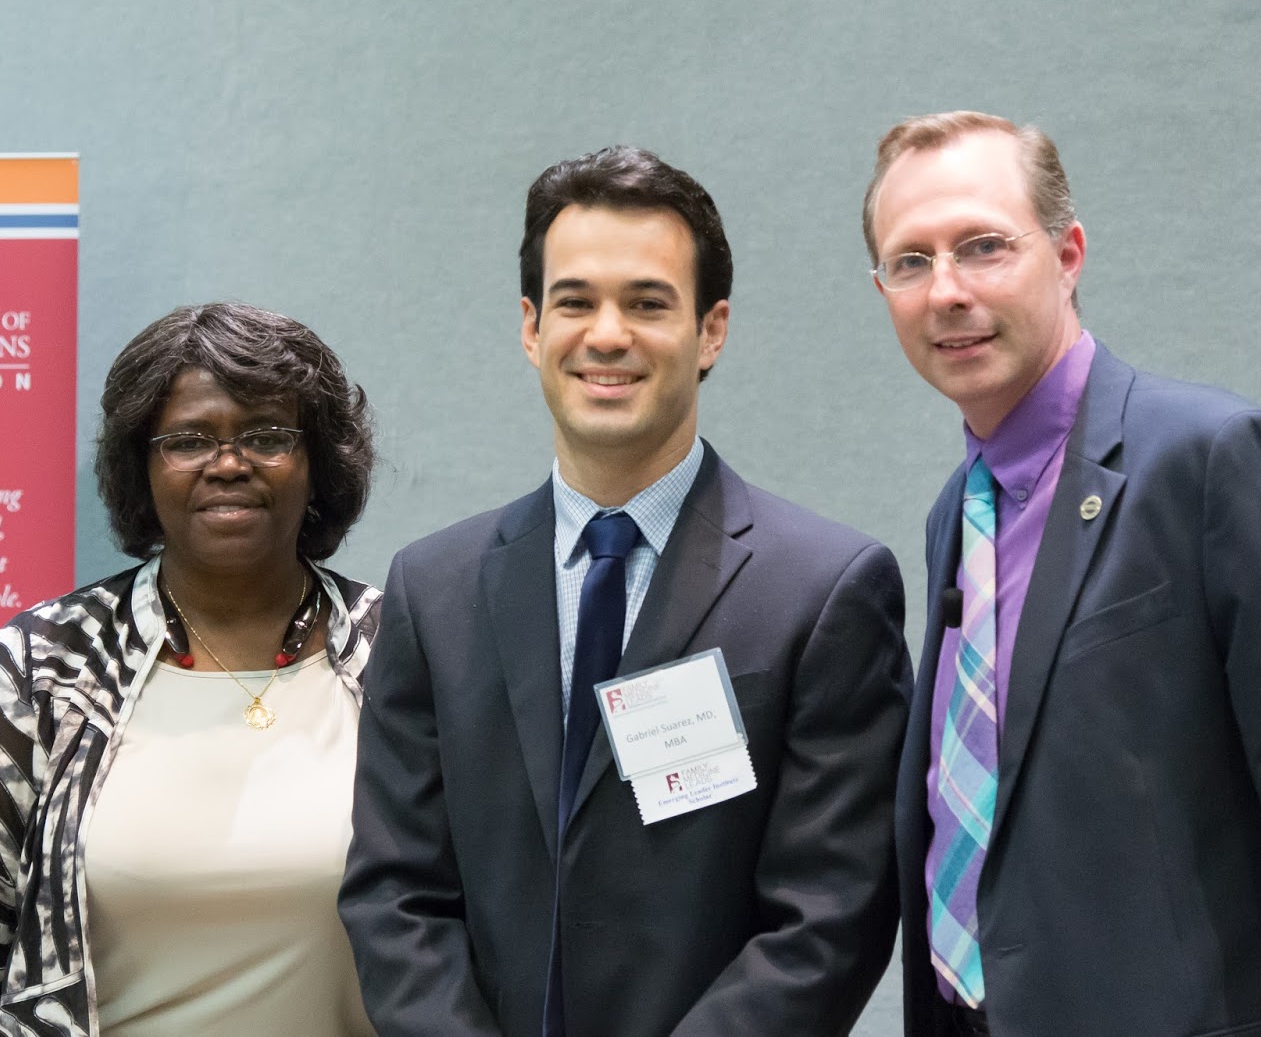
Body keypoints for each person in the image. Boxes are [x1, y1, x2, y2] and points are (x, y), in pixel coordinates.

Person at [340, 146, 910, 1037]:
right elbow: (395, 895)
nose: (607, 335)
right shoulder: (431, 591)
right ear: (531, 327)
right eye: (575, 302)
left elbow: (829, 917)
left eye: (648, 303)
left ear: (711, 331)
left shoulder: (824, 592)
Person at [864, 110, 1261, 1036]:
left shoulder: (1211, 460)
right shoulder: (956, 515)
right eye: (911, 261)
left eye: (983, 246)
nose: (946, 291)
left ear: (1068, 256)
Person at [0, 302, 381, 1037]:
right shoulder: (39, 670)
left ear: (318, 464)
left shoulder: (396, 653)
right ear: (140, 467)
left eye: (267, 436)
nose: (228, 464)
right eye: (188, 440)